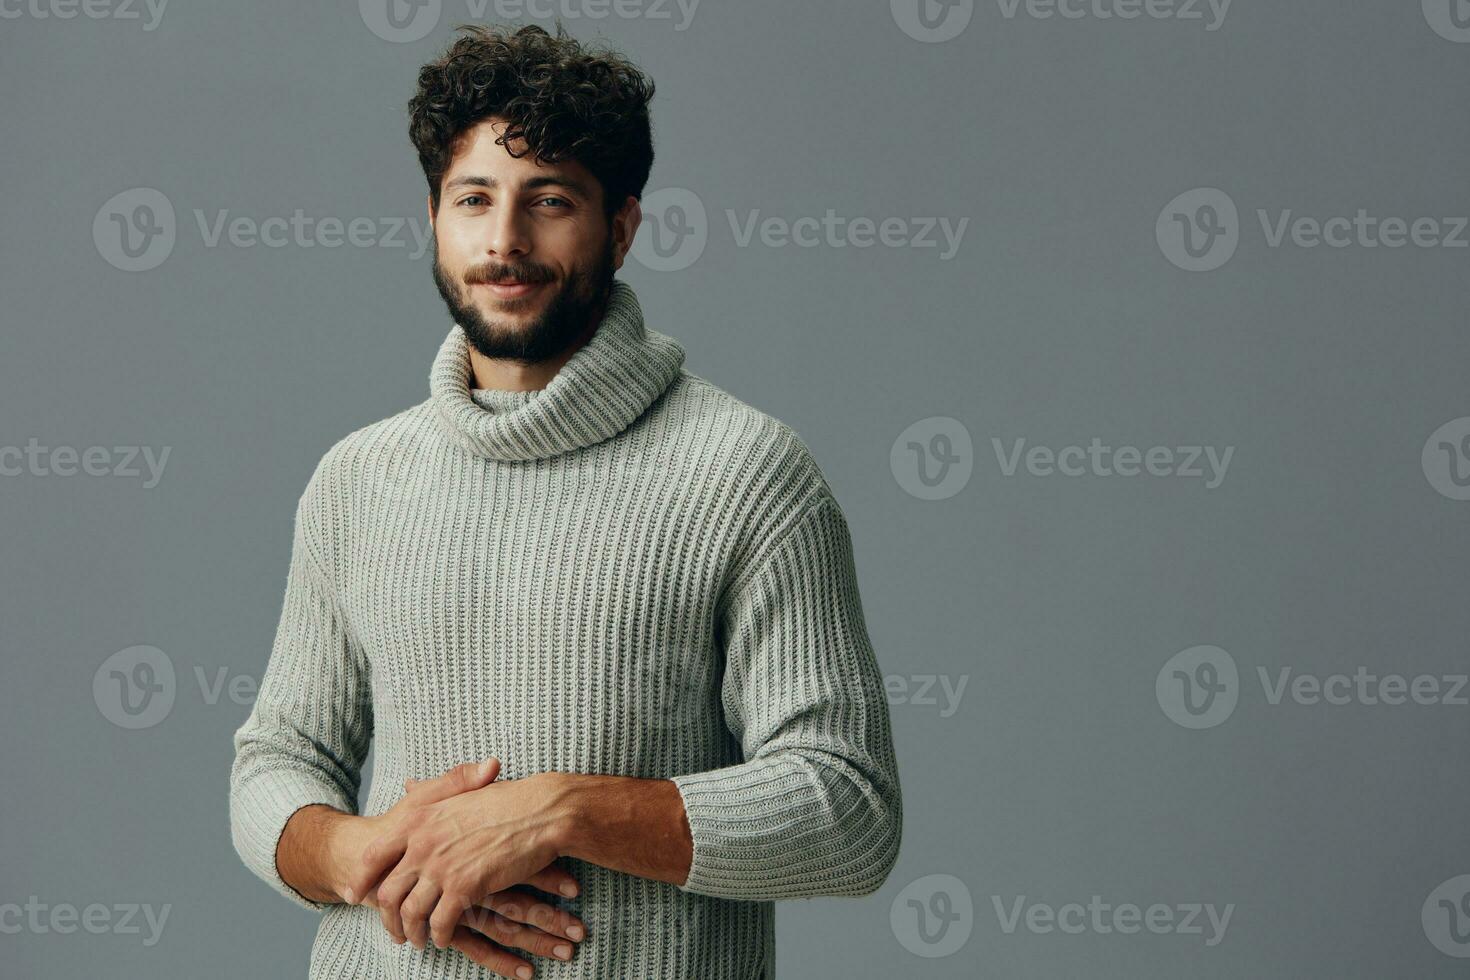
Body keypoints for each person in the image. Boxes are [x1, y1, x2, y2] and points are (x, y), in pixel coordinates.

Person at [228, 21, 902, 980]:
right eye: (475, 200)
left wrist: (564, 812)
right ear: (434, 218)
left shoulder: (747, 473)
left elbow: (851, 812)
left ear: (621, 227)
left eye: (549, 201)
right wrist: (357, 856)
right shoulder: (358, 479)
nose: (505, 241)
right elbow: (275, 761)